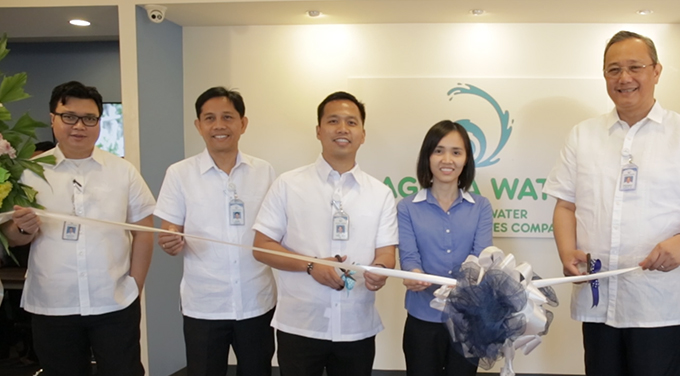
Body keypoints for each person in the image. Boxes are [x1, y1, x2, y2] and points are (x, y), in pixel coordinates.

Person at [542, 30, 680, 376]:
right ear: (604, 76)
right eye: (614, 69)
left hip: (659, 305)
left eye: (635, 67)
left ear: (656, 71)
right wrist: (567, 252)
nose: (624, 78)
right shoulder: (583, 135)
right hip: (598, 299)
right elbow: (566, 205)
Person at [1, 81, 156, 375]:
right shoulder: (30, 172)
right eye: (69, 116)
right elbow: (12, 237)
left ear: (99, 122)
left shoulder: (122, 170)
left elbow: (144, 230)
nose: (79, 126)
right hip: (52, 302)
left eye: (89, 118)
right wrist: (23, 230)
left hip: (114, 301)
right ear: (52, 118)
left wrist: (135, 285)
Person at [252, 91, 397, 376]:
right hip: (301, 325)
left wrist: (380, 271)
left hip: (357, 326)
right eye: (333, 121)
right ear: (319, 130)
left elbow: (386, 253)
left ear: (363, 134)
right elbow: (262, 246)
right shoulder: (288, 184)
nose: (342, 129)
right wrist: (311, 265)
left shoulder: (380, 193)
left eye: (351, 123)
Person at [154, 87, 277, 376]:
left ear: (243, 123)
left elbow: (276, 230)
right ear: (198, 125)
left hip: (256, 301)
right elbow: (169, 231)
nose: (219, 125)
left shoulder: (265, 171)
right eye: (209, 118)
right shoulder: (179, 173)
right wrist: (170, 240)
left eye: (227, 117)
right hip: (204, 304)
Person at [398, 120, 492, 376]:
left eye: (456, 152)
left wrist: (466, 283)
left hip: (467, 320)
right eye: (438, 150)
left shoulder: (481, 207)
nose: (447, 159)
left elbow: (481, 258)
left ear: (466, 160)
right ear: (427, 157)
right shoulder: (407, 207)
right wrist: (413, 274)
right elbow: (409, 256)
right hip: (422, 318)